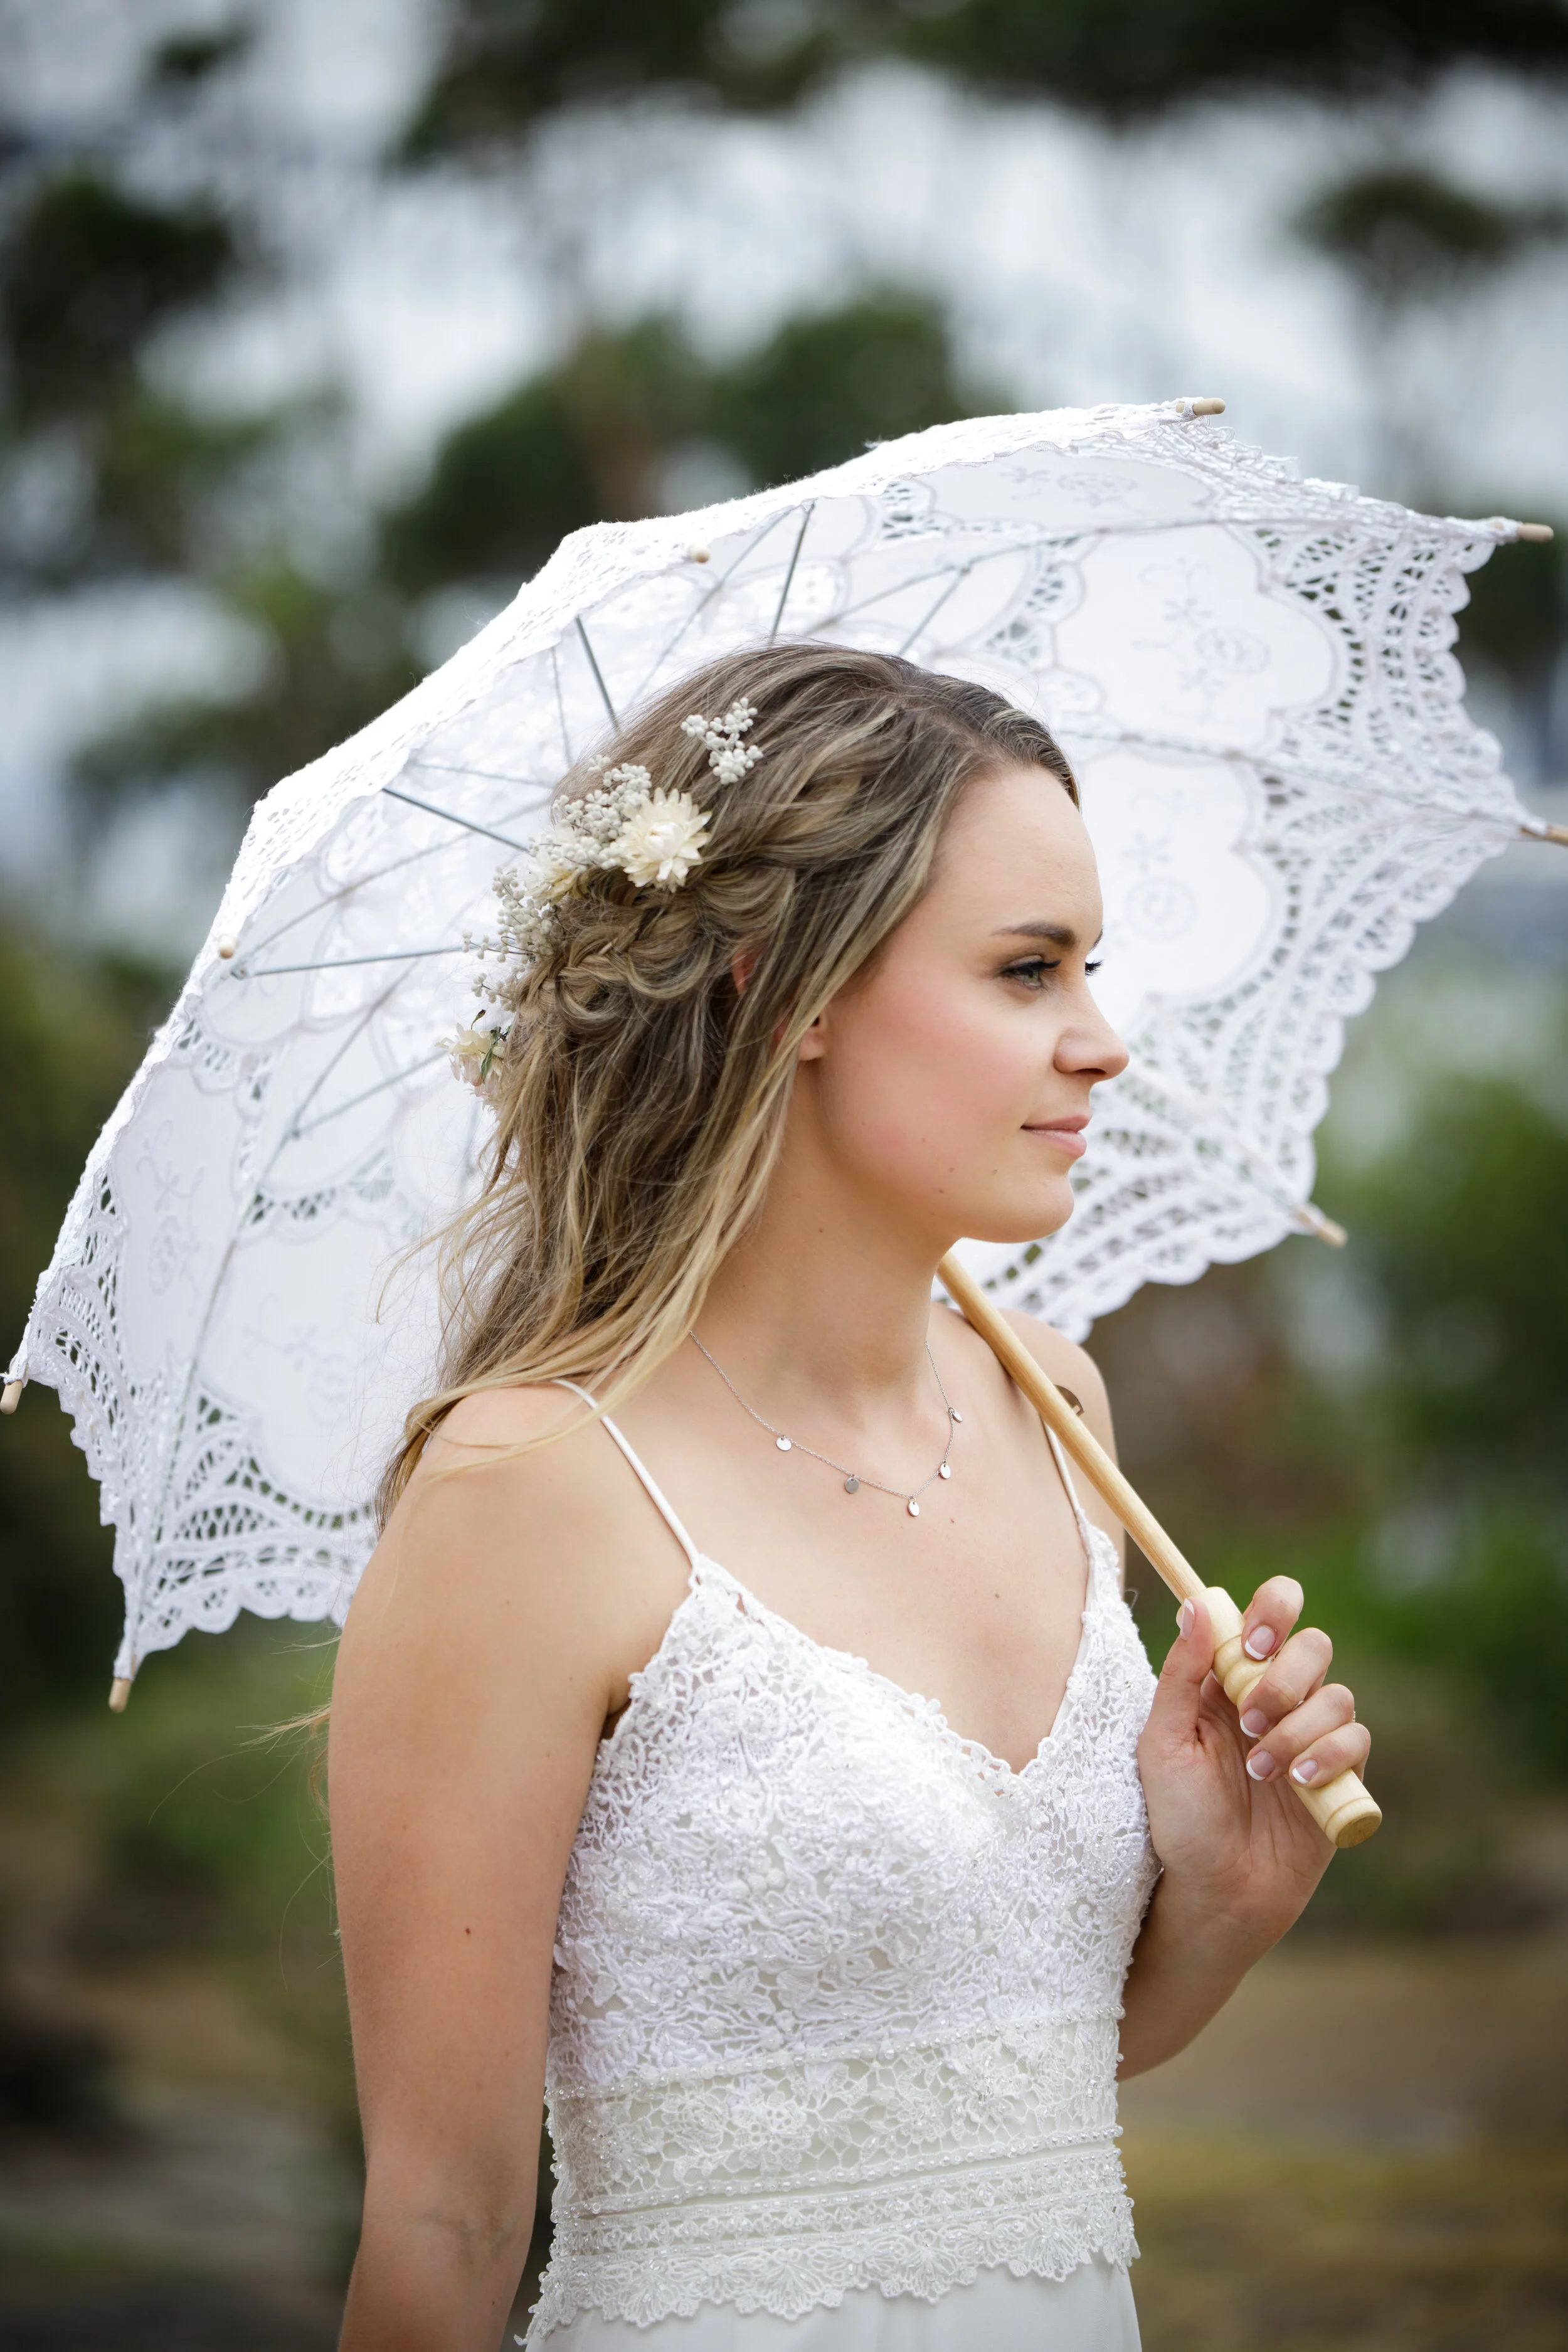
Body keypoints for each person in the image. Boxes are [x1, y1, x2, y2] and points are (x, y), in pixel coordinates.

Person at [329, 644, 1370, 2352]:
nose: (1100, 1042)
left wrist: (1224, 1907)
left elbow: (996, 2078)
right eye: (1027, 969)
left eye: (1088, 967)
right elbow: (441, 2227)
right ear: (786, 989)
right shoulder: (533, 1489)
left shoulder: (1061, 1411)